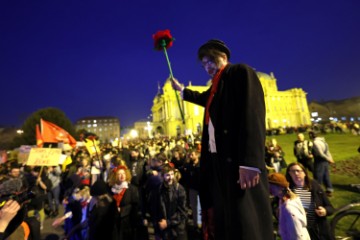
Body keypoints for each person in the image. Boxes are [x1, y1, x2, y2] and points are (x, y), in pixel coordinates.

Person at [171, 39, 273, 239]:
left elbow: (252, 115)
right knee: (226, 216)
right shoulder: (216, 86)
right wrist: (181, 90)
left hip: (237, 161)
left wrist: (250, 163)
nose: (207, 67)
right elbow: (203, 98)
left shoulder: (240, 73)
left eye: (210, 62)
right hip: (219, 162)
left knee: (244, 218)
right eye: (204, 65)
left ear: (223, 57)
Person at [285, 162, 335, 240]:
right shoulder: (287, 190)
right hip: (298, 231)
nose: (296, 173)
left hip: (317, 229)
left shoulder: (315, 186)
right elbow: (277, 209)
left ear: (304, 173)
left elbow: (330, 208)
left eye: (298, 170)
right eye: (293, 171)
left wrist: (325, 211)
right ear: (289, 174)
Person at [268, 173, 310, 240]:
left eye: (271, 186)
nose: (269, 189)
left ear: (281, 187)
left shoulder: (289, 208)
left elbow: (297, 233)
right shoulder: (283, 200)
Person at [308, 131, 335, 196]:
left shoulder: (315, 142)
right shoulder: (323, 141)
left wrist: (328, 159)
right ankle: (329, 189)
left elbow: (320, 154)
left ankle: (318, 191)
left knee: (318, 176)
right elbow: (327, 152)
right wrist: (330, 158)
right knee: (326, 176)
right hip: (325, 162)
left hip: (319, 161)